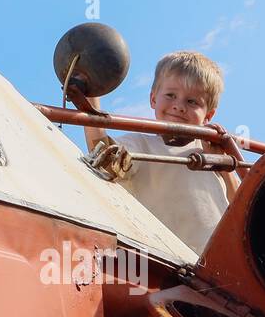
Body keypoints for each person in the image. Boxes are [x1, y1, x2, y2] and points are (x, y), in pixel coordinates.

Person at [84, 50, 239, 256]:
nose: (179, 106)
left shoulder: (212, 150)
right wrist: (91, 97)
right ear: (153, 99)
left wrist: (225, 166)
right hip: (164, 260)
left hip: (217, 262)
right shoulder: (139, 144)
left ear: (208, 115)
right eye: (171, 95)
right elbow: (103, 155)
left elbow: (241, 206)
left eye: (192, 101)